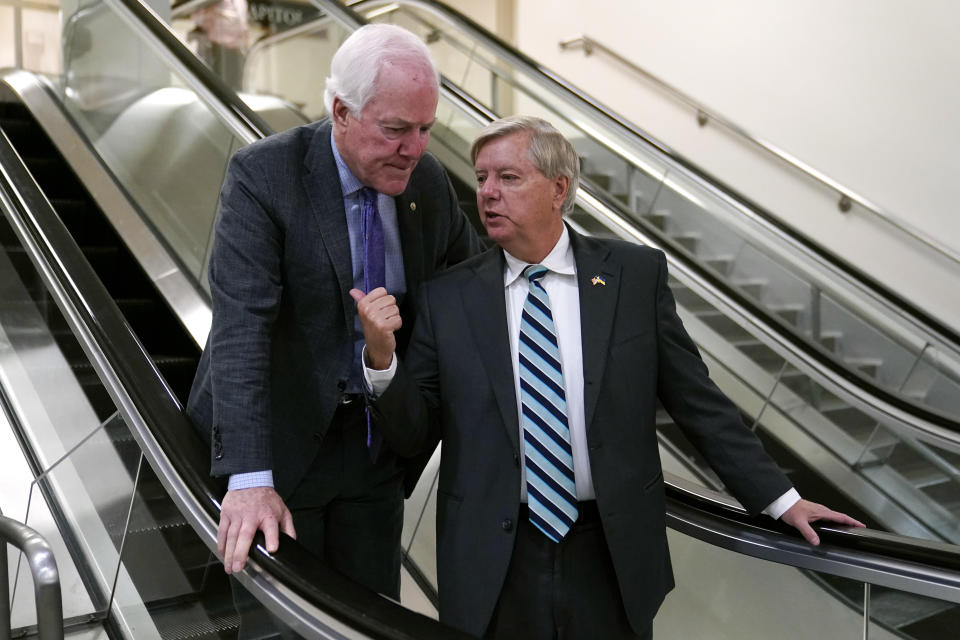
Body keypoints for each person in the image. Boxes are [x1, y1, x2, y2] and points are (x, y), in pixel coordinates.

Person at [353, 116, 864, 639]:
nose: (487, 193)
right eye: (482, 178)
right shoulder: (449, 296)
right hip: (496, 554)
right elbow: (415, 432)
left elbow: (698, 402)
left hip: (611, 550)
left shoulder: (633, 277)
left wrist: (782, 499)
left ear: (559, 189)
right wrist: (382, 361)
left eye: (508, 178)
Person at [186, 22, 482, 611]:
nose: (415, 148)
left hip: (376, 451)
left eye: (425, 129)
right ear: (342, 111)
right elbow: (241, 329)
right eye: (396, 130)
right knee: (279, 619)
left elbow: (469, 297)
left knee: (368, 614)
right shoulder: (265, 176)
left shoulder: (426, 184)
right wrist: (249, 481)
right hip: (282, 440)